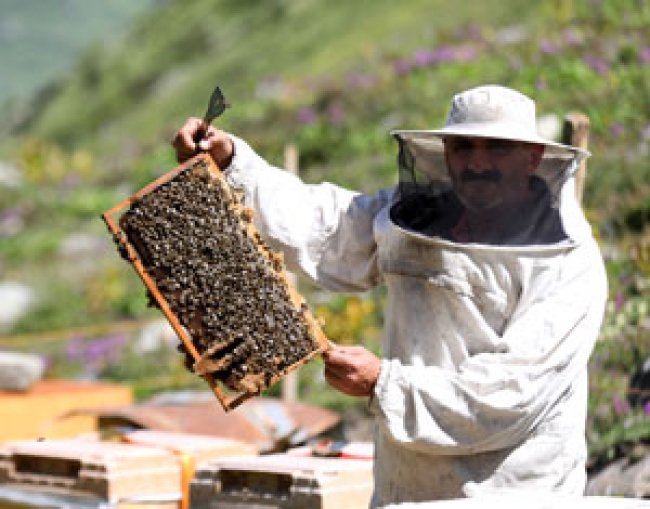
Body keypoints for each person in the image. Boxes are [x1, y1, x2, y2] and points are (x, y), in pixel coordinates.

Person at [173, 84, 607, 505]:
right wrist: (233, 163)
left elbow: (512, 393)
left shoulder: (567, 263)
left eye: (494, 148)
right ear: (444, 153)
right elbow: (329, 229)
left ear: (532, 157)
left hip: (513, 492)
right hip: (407, 484)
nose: (477, 163)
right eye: (463, 148)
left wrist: (385, 383)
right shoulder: (417, 215)